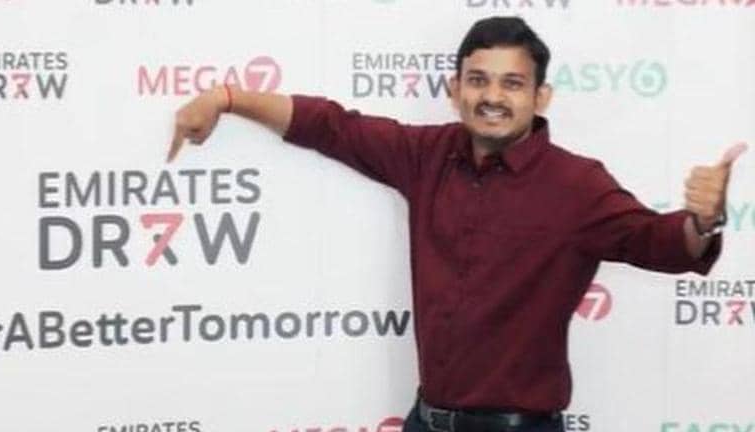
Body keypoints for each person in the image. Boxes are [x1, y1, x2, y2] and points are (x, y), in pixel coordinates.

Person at [167, 16, 746, 432]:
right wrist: (227, 97)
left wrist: (703, 220)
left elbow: (663, 245)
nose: (492, 97)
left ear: (541, 96)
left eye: (512, 83)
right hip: (425, 420)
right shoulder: (426, 155)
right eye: (478, 80)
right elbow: (331, 126)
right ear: (455, 90)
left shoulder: (577, 185)